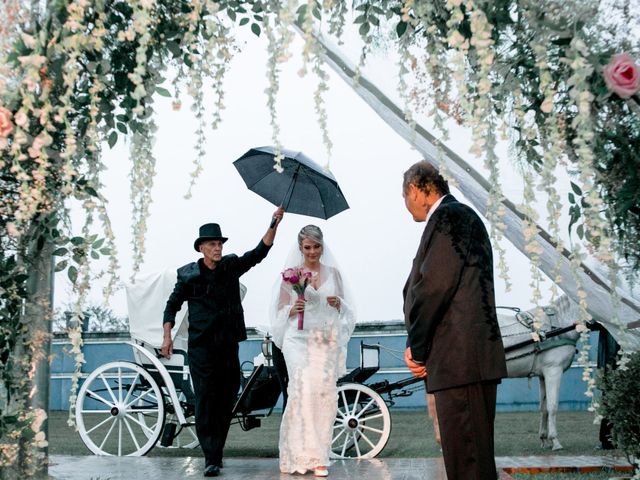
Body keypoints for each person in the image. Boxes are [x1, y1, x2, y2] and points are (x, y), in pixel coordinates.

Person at [401, 161, 507, 480]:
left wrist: (417, 350)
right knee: (466, 462)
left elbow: (433, 287)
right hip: (460, 362)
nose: (406, 207)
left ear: (416, 190)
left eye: (403, 197)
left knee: (469, 465)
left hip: (461, 361)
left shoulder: (451, 217)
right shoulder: (456, 217)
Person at [161, 207, 284, 478]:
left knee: (227, 396)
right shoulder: (188, 276)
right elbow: (172, 306)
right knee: (206, 399)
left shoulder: (230, 266)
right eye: (213, 244)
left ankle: (216, 450)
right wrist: (167, 335)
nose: (218, 248)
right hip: (201, 348)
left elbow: (257, 254)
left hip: (227, 344)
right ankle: (211, 457)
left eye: (220, 243)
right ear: (202, 248)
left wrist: (273, 223)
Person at [270, 225, 356, 477]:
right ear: (300, 248)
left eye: (316, 246)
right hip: (297, 340)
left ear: (322, 246)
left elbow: (346, 310)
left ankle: (319, 456)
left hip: (324, 338)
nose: (312, 252)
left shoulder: (333, 274)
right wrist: (291, 310)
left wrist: (339, 304)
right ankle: (295, 455)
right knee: (302, 391)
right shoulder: (291, 275)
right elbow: (278, 313)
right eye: (307, 247)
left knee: (322, 394)